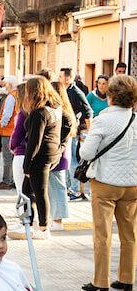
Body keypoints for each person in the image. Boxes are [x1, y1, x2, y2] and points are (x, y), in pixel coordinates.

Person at [80, 75, 137, 291]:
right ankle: (126, 278)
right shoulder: (135, 119)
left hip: (105, 183)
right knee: (130, 234)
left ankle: (100, 281)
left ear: (110, 95)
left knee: (102, 234)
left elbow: (86, 153)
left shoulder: (103, 119)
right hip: (132, 184)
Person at [10, 76, 63, 240]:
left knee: (39, 192)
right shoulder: (54, 108)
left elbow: (34, 142)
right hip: (50, 154)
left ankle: (43, 228)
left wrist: (27, 167)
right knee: (27, 192)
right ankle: (28, 223)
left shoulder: (39, 113)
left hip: (39, 157)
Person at [59, 68, 93, 200]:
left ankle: (75, 190)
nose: (59, 78)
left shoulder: (76, 92)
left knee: (72, 159)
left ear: (67, 78)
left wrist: (88, 131)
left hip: (72, 132)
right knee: (67, 160)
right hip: (65, 131)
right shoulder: (65, 91)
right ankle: (69, 188)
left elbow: (88, 111)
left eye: (61, 76)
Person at [48, 81, 77, 231]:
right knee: (56, 186)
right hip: (63, 154)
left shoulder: (60, 112)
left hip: (57, 153)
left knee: (57, 186)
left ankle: (58, 220)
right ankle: (55, 218)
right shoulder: (66, 110)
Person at [0, 76, 19, 190]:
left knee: (7, 157)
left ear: (10, 85)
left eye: (6, 84)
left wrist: (1, 125)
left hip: (8, 131)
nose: (4, 85)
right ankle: (14, 180)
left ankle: (6, 181)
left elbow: (7, 115)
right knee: (13, 157)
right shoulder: (18, 95)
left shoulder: (10, 97)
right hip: (15, 130)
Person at [9, 82, 27, 196]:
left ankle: (23, 212)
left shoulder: (23, 113)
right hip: (28, 152)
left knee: (21, 189)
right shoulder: (33, 111)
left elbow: (17, 133)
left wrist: (12, 145)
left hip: (21, 152)